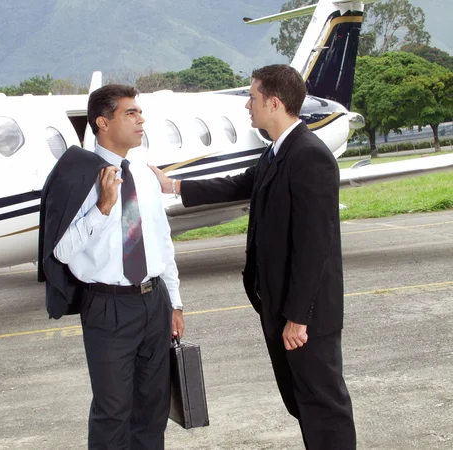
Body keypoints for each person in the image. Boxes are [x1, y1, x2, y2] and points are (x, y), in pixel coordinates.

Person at [150, 65, 356, 449]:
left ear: (274, 103)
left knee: (324, 406)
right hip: (280, 308)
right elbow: (241, 184)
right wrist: (173, 184)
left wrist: (298, 318)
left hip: (305, 316)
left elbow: (316, 247)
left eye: (253, 97)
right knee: (302, 402)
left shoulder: (310, 156)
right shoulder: (279, 151)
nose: (247, 105)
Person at [53, 84, 184, 450]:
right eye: (130, 113)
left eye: (140, 112)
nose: (141, 119)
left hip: (153, 300)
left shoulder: (142, 173)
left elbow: (162, 240)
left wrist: (174, 301)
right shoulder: (77, 176)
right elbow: (61, 251)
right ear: (102, 122)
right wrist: (103, 207)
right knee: (113, 412)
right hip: (108, 307)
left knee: (153, 409)